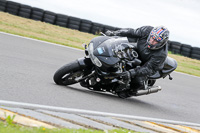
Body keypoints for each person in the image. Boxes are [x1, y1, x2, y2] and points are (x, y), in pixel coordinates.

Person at [105, 26, 169, 95]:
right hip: (140, 48)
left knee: (137, 79)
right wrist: (115, 33)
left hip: (149, 64)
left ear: (161, 42)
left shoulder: (161, 54)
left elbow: (148, 68)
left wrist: (130, 73)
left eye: (156, 41)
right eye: (152, 37)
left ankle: (130, 92)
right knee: (121, 48)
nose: (152, 41)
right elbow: (131, 32)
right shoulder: (147, 30)